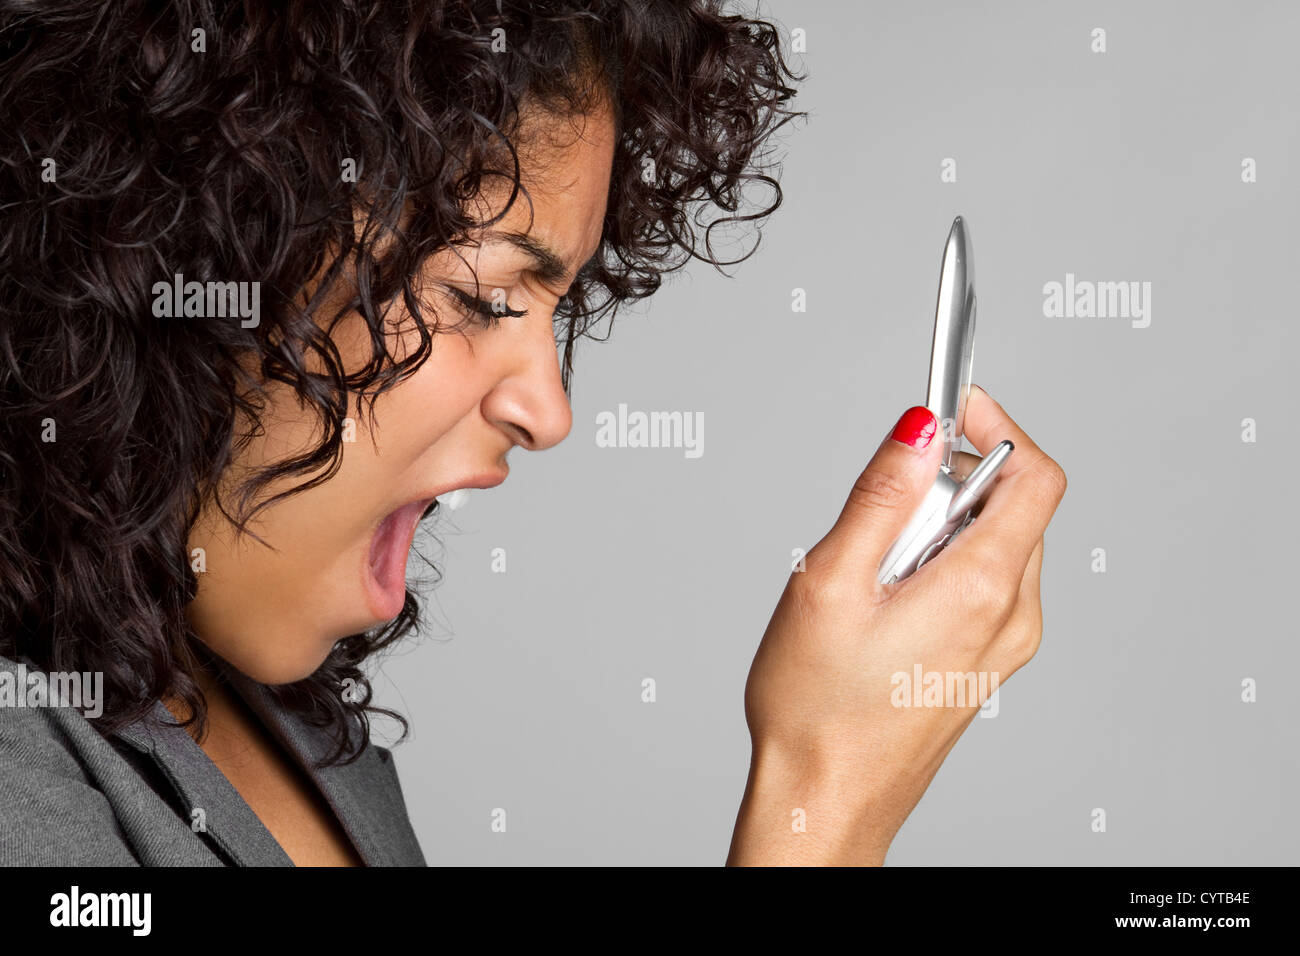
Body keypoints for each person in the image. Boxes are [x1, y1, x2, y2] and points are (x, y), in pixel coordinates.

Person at [0, 0, 1064, 866]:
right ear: (202, 255)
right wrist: (821, 802)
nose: (548, 412)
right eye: (482, 298)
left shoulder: (297, 730)